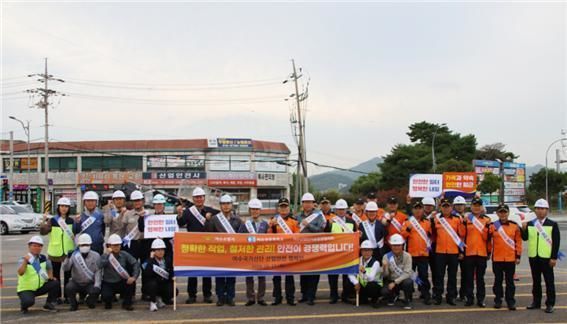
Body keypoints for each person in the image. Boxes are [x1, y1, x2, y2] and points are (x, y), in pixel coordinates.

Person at [177, 187, 218, 304]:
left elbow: (219, 220)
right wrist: (179, 214)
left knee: (207, 272)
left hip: (207, 246)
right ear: (193, 199)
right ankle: (192, 295)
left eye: (201, 197)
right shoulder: (188, 212)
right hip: (193, 246)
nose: (199, 199)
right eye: (196, 197)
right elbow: (181, 223)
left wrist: (211, 218)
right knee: (192, 272)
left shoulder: (211, 210)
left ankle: (207, 295)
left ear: (204, 198)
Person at [522, 198, 561, 314]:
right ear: (535, 210)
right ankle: (536, 302)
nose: (540, 211)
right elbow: (525, 238)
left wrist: (554, 257)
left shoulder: (552, 224)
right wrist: (523, 229)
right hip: (534, 257)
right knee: (536, 281)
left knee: (549, 282)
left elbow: (556, 242)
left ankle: (550, 304)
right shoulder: (530, 224)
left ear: (547, 210)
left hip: (547, 258)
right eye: (538, 208)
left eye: (543, 209)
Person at [206, 194, 243, 306]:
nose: (226, 206)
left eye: (228, 204)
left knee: (231, 276)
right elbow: (209, 235)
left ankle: (231, 297)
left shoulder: (237, 220)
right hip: (219, 253)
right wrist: (207, 221)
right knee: (220, 276)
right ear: (220, 206)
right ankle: (221, 297)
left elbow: (241, 236)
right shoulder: (214, 219)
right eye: (223, 204)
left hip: (232, 252)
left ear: (232, 205)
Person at [39, 196, 77, 304]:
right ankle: (57, 297)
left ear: (69, 208)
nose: (64, 208)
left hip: (68, 252)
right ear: (58, 207)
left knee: (68, 276)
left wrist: (78, 222)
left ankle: (67, 296)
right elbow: (43, 232)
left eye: (66, 206)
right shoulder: (53, 220)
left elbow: (77, 232)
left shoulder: (71, 221)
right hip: (55, 252)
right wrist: (43, 221)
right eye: (62, 206)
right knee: (56, 276)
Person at [488, 204, 522, 311]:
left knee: (510, 282)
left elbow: (518, 242)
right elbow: (487, 240)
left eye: (505, 212)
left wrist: (518, 256)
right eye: (500, 212)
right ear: (497, 213)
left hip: (510, 259)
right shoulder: (492, 226)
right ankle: (498, 300)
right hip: (497, 258)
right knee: (497, 281)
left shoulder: (514, 226)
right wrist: (488, 252)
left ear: (508, 213)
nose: (503, 214)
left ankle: (510, 301)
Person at [432, 198, 466, 305]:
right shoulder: (436, 219)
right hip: (440, 252)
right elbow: (432, 235)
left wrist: (461, 252)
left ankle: (451, 297)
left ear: (451, 207)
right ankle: (438, 296)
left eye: (448, 206)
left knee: (452, 276)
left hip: (453, 252)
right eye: (444, 206)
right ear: (441, 208)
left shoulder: (457, 219)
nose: (446, 208)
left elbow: (461, 236)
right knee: (439, 275)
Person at [325, 198, 357, 304]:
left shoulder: (352, 221)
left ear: (346, 209)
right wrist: (327, 224)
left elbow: (355, 235)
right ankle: (333, 295)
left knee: (346, 276)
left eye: (343, 209)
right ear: (335, 210)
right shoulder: (331, 221)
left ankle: (345, 295)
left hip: (347, 253)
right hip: (334, 253)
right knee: (333, 275)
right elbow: (325, 235)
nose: (341, 211)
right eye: (339, 209)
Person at [296, 192, 326, 305]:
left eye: (310, 202)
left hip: (314, 248)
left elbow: (320, 230)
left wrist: (308, 225)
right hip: (302, 248)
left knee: (314, 273)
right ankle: (304, 294)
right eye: (305, 202)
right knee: (303, 273)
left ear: (313, 204)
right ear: (302, 204)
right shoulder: (298, 216)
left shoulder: (319, 215)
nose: (307, 204)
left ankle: (311, 296)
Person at [267, 197, 298, 306]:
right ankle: (277, 297)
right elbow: (268, 237)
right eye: (281, 207)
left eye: (285, 206)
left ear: (289, 208)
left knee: (289, 277)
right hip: (276, 253)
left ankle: (290, 297)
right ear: (278, 208)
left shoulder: (294, 221)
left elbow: (298, 237)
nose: (284, 209)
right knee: (276, 277)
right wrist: (273, 227)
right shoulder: (272, 220)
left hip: (289, 252)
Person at [17, 236, 59, 314]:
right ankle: (24, 306)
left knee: (55, 283)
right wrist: (25, 261)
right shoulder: (23, 259)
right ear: (29, 246)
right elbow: (20, 272)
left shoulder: (43, 258)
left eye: (39, 246)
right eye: (34, 245)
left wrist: (51, 276)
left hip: (40, 287)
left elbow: (49, 267)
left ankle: (48, 304)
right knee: (29, 302)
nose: (37, 248)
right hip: (26, 289)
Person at [239, 198, 269, 306]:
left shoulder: (265, 224)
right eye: (252, 209)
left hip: (261, 254)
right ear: (249, 211)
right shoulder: (245, 224)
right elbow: (239, 239)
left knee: (262, 277)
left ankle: (261, 297)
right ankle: (251, 297)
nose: (255, 211)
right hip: (249, 253)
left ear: (260, 210)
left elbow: (270, 239)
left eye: (256, 209)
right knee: (249, 276)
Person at [401, 200, 432, 305]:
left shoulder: (427, 222)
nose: (418, 210)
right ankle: (408, 296)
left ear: (423, 210)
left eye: (420, 208)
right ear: (413, 210)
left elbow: (432, 236)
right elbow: (403, 236)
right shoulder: (407, 222)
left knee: (423, 275)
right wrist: (408, 230)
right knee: (410, 276)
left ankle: (425, 294)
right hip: (411, 254)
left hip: (423, 254)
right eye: (416, 208)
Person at [98, 234, 140, 310]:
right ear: (109, 246)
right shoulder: (105, 255)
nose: (117, 247)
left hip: (121, 281)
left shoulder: (124, 254)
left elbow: (135, 263)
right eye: (114, 245)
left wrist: (134, 277)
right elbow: (99, 265)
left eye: (118, 245)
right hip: (108, 283)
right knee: (106, 296)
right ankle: (108, 302)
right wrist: (107, 254)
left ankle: (127, 304)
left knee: (131, 283)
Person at [463, 197, 491, 307]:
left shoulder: (487, 220)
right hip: (469, 253)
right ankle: (469, 298)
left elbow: (489, 238)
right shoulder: (466, 219)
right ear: (471, 207)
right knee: (469, 278)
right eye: (474, 205)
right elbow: (461, 235)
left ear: (481, 207)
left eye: (478, 206)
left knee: (480, 278)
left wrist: (489, 252)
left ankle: (480, 299)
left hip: (482, 253)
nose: (476, 207)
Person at [63, 233, 102, 311]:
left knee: (93, 299)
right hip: (76, 282)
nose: (85, 247)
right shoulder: (74, 255)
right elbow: (65, 269)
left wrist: (97, 285)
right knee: (69, 287)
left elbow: (98, 271)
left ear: (90, 244)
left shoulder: (96, 255)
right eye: (82, 245)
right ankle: (73, 304)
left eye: (86, 244)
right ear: (78, 245)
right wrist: (67, 258)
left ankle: (89, 300)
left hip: (89, 283)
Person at [121, 190, 147, 299]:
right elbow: (122, 229)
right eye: (135, 201)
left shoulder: (149, 213)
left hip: (145, 244)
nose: (137, 203)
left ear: (143, 201)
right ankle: (131, 294)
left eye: (139, 200)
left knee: (146, 269)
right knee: (131, 269)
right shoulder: (127, 214)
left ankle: (145, 293)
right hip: (132, 244)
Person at [381, 234, 414, 310]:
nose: (396, 247)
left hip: (401, 280)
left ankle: (407, 300)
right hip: (390, 280)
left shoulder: (407, 256)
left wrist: (395, 282)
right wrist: (384, 267)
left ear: (402, 245)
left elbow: (407, 273)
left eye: (398, 245)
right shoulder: (386, 256)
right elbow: (385, 275)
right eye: (394, 245)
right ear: (391, 246)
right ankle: (392, 296)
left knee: (408, 282)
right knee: (384, 291)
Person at [143, 238, 174, 311]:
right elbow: (146, 272)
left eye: (162, 250)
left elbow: (171, 271)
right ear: (153, 251)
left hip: (163, 284)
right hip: (152, 285)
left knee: (173, 290)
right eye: (158, 250)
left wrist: (173, 276)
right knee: (153, 284)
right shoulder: (148, 261)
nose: (161, 252)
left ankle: (160, 299)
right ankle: (153, 302)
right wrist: (151, 259)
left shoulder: (167, 260)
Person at [349, 240, 382, 308]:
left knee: (371, 285)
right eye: (364, 250)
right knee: (348, 282)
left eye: (369, 250)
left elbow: (371, 278)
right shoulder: (358, 261)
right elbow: (350, 273)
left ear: (372, 252)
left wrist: (364, 271)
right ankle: (363, 299)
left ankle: (375, 299)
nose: (367, 252)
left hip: (375, 285)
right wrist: (356, 283)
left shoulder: (375, 263)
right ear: (361, 251)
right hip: (363, 284)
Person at [452, 195, 468, 301]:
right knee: (452, 274)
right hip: (453, 249)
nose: (459, 207)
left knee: (466, 274)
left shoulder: (469, 217)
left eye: (461, 205)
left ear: (465, 206)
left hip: (467, 249)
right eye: (457, 205)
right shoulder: (449, 217)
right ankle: (452, 294)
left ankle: (463, 294)